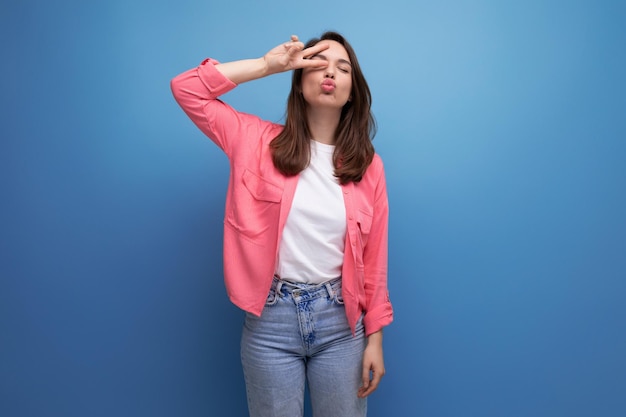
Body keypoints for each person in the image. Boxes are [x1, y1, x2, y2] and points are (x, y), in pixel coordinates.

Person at [170, 31, 393, 417]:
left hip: (341, 324)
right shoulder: (254, 141)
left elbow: (374, 260)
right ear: (299, 79)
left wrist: (374, 339)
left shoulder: (369, 168)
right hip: (270, 322)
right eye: (318, 63)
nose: (330, 73)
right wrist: (266, 65)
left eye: (342, 68)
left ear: (352, 90)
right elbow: (187, 88)